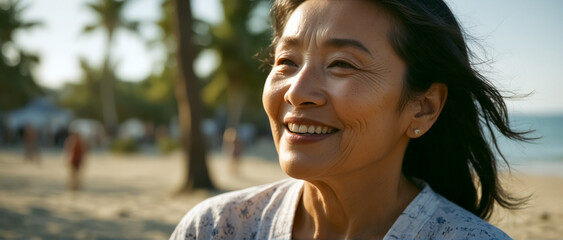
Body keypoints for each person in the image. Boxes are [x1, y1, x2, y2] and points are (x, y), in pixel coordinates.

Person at [171, 0, 530, 239]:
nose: (297, 92)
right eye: (287, 62)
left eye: (342, 64)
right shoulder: (217, 228)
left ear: (423, 107)